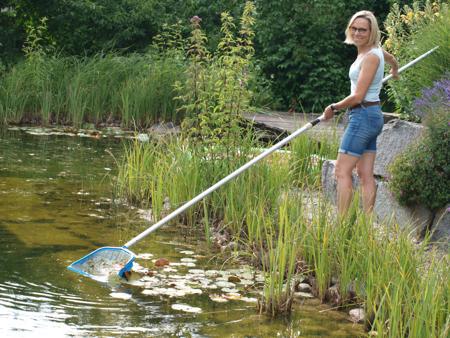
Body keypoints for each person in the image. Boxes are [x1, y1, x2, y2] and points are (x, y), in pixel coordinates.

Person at [322, 10, 399, 216]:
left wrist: (333, 108)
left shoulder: (371, 57)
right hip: (372, 116)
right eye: (354, 28)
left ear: (371, 31)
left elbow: (358, 97)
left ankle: (342, 225)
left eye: (362, 29)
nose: (357, 32)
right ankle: (365, 229)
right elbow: (392, 58)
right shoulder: (375, 51)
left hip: (363, 115)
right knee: (365, 174)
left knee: (341, 171)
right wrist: (394, 70)